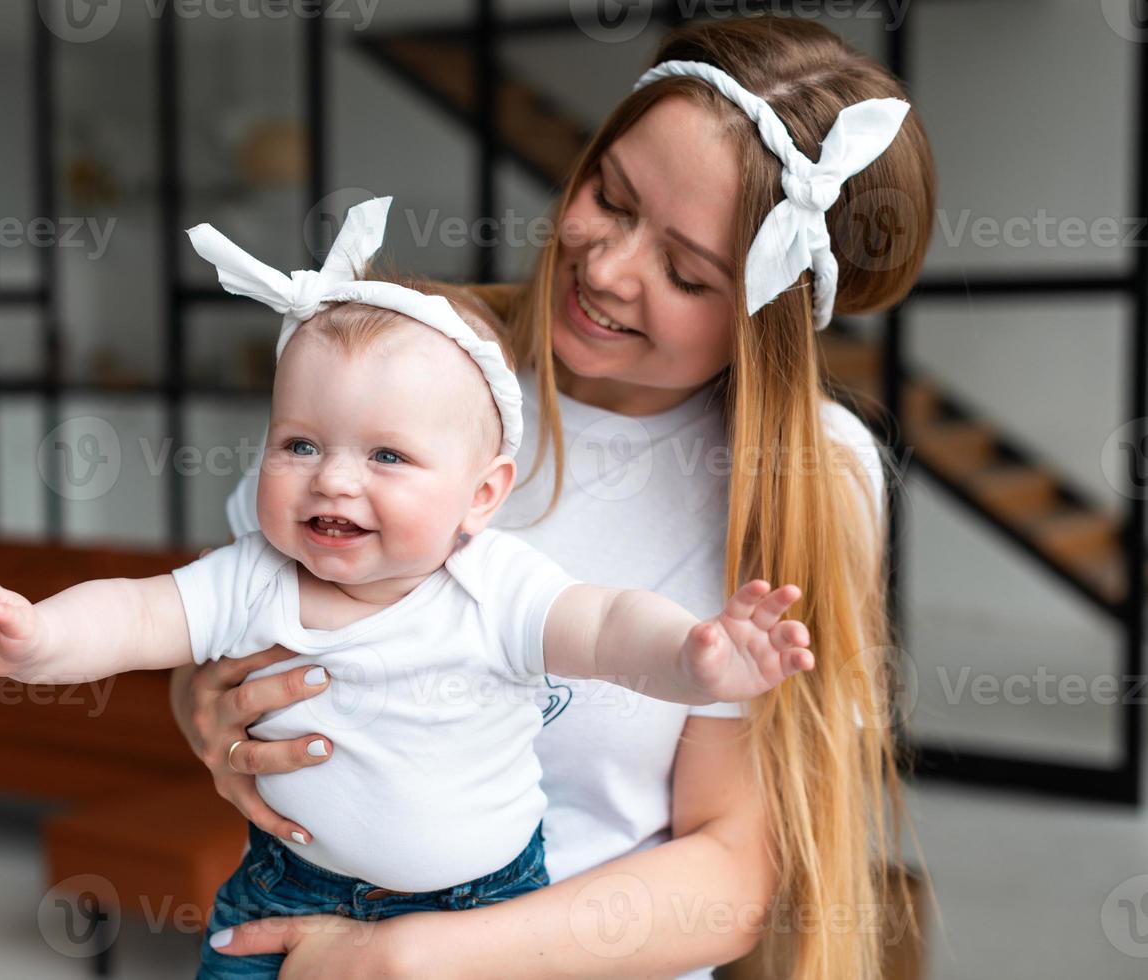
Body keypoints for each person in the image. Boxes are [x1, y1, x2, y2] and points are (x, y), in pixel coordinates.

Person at [172, 15, 936, 979]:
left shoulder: (805, 479)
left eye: (685, 272)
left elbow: (730, 874)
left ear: (766, 318)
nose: (607, 268)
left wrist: (407, 958)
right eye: (609, 197)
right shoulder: (408, 359)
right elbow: (236, 629)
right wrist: (201, 709)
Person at [0, 198, 816, 980]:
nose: (333, 482)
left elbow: (608, 625)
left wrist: (693, 656)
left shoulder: (492, 584)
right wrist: (38, 636)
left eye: (386, 456)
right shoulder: (258, 573)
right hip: (281, 885)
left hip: (479, 910)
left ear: (480, 497)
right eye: (301, 445)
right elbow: (135, 612)